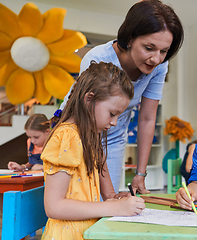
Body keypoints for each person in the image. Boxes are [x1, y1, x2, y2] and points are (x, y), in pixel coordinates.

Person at [60, 0, 184, 194]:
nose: (157, 59)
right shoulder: (99, 58)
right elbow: (88, 124)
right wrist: (109, 196)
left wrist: (140, 174)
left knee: (107, 205)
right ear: (130, 38)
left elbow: (147, 118)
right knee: (84, 197)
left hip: (114, 137)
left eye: (164, 51)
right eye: (149, 48)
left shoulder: (159, 65)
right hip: (79, 132)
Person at [41, 61, 145, 240]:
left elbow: (109, 196)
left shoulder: (91, 138)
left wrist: (119, 199)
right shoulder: (67, 136)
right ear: (89, 99)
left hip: (89, 231)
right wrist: (115, 207)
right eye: (112, 114)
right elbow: (54, 207)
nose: (114, 123)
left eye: (119, 116)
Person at [0, 113, 50, 212]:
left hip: (48, 182)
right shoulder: (30, 143)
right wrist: (22, 167)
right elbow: (32, 164)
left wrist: (43, 166)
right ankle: (10, 220)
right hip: (33, 179)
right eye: (29, 137)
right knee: (0, 193)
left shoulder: (54, 143)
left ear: (47, 132)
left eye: (36, 137)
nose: (32, 140)